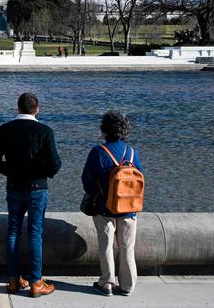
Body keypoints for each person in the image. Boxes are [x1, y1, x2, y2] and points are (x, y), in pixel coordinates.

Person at [0, 93, 62, 298]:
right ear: (37, 109)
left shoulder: (4, 130)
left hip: (13, 186)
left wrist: (11, 171)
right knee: (35, 233)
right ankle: (36, 282)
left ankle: (13, 280)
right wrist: (42, 172)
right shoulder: (45, 131)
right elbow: (56, 164)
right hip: (37, 188)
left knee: (13, 232)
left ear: (18, 108)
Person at [81, 111, 143, 297]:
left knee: (106, 245)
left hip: (104, 208)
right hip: (129, 209)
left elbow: (87, 181)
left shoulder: (99, 152)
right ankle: (127, 286)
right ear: (125, 131)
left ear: (104, 130)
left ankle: (107, 282)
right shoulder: (133, 153)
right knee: (127, 247)